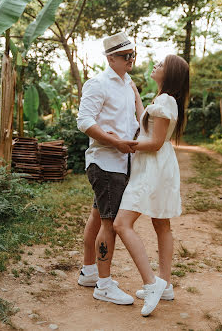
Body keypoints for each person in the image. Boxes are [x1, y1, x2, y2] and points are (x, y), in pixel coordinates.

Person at [113, 54, 190, 316]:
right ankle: (165, 284)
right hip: (158, 166)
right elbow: (145, 124)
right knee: (161, 223)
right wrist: (135, 92)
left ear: (170, 75)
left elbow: (154, 142)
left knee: (121, 223)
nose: (155, 66)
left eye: (161, 65)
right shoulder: (163, 100)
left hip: (153, 169)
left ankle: (152, 282)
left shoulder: (166, 100)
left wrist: (123, 144)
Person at [77, 31, 139, 305]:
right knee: (109, 223)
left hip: (121, 162)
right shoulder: (98, 83)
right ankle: (103, 284)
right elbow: (84, 121)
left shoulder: (128, 84)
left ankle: (89, 271)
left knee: (97, 217)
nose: (132, 60)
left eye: (133, 55)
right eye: (127, 56)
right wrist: (114, 142)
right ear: (111, 57)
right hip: (106, 162)